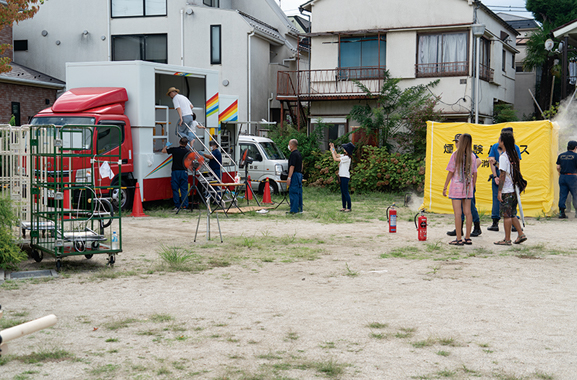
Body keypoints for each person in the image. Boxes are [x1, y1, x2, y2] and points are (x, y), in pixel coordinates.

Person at [442, 133, 477, 245]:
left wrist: (445, 186)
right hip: (467, 186)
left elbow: (450, 172)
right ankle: (467, 237)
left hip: (456, 186)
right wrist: (473, 185)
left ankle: (458, 238)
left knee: (458, 213)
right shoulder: (472, 156)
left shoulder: (456, 154)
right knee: (468, 212)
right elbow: (474, 173)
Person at [495, 132, 527, 245]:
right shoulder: (512, 155)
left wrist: (499, 191)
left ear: (503, 142)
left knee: (506, 215)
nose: (498, 140)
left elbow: (502, 175)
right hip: (514, 190)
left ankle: (507, 239)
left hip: (507, 190)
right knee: (512, 214)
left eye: (499, 139)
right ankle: (520, 234)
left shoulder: (503, 156)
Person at [487, 127, 522, 232]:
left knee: (501, 201)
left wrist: (496, 177)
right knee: (510, 203)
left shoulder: (502, 151)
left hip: (503, 180)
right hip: (509, 180)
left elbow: (494, 163)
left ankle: (501, 227)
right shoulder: (514, 148)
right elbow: (516, 166)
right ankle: (515, 228)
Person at [162, 137, 192, 211]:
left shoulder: (175, 150)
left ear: (179, 142)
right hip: (184, 171)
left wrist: (166, 145)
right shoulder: (187, 151)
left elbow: (163, 151)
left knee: (175, 189)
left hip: (175, 172)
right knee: (184, 190)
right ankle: (185, 206)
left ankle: (177, 206)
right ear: (186, 144)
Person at [329, 141, 354, 212]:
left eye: (345, 148)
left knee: (345, 192)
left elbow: (335, 158)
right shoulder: (344, 156)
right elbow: (337, 155)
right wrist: (333, 148)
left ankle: (349, 207)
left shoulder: (347, 158)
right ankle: (344, 206)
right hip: (342, 176)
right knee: (343, 192)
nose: (344, 149)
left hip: (345, 176)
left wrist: (332, 152)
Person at [557, 140, 577, 219]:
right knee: (575, 194)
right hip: (572, 177)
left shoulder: (561, 155)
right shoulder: (576, 156)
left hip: (562, 177)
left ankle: (562, 213)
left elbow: (558, 167)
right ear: (575, 147)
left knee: (562, 195)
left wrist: (560, 173)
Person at [287, 139, 303, 214]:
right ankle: (300, 209)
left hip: (295, 175)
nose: (288, 146)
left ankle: (294, 210)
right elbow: (302, 165)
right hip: (299, 174)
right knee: (299, 192)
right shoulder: (299, 154)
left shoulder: (293, 154)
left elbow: (292, 166)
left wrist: (289, 177)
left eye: (289, 144)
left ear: (292, 146)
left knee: (293, 192)